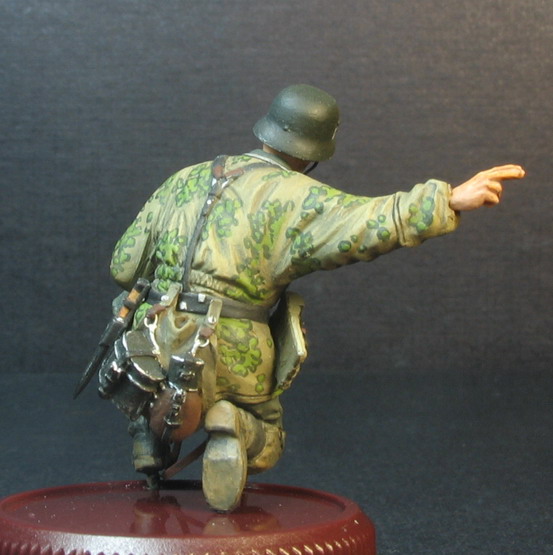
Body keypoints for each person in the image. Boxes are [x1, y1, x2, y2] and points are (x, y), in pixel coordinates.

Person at [102, 84, 525, 512]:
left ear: (267, 130)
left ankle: (147, 435)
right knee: (268, 436)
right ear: (314, 152)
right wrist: (447, 199)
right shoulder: (300, 197)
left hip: (157, 333)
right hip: (234, 348)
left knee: (143, 373)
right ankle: (236, 425)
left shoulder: (185, 179)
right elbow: (368, 222)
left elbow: (124, 266)